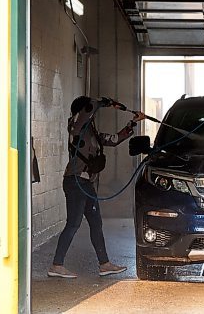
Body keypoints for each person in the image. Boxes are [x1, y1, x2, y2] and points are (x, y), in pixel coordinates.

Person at [48, 96, 145, 278]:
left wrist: (132, 123)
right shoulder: (76, 127)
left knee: (95, 223)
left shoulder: (91, 133)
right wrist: (106, 102)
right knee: (73, 224)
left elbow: (114, 139)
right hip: (75, 182)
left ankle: (104, 264)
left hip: (86, 183)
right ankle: (56, 265)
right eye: (88, 109)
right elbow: (90, 107)